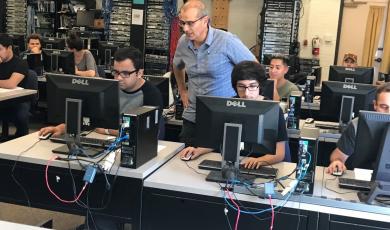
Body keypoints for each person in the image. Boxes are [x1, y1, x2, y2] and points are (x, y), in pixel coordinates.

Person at [173, 0, 256, 147]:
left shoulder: (226, 41)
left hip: (223, 116)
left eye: (190, 23)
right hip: (194, 114)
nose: (185, 28)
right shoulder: (183, 42)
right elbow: (177, 66)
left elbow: (254, 67)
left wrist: (245, 96)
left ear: (205, 20)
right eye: (182, 23)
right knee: (183, 159)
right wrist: (182, 90)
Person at [179, 61, 288, 169]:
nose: (246, 93)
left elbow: (279, 153)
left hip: (260, 165)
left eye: (252, 86)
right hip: (231, 163)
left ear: (260, 85)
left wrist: (259, 161)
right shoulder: (228, 105)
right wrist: (198, 150)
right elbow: (217, 140)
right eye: (241, 86)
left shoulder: (273, 110)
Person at [39, 47, 163, 138]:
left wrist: (106, 130)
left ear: (139, 73)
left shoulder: (151, 94)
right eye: (116, 72)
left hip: (133, 145)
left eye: (125, 73)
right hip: (104, 140)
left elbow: (144, 131)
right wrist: (61, 127)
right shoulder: (107, 88)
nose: (118, 78)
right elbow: (88, 118)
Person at [326, 83, 390, 174]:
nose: (389, 112)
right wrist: (337, 162)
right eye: (384, 107)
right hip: (361, 179)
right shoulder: (358, 124)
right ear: (375, 105)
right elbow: (338, 156)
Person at [0, 33, 30, 137]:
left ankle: (21, 138)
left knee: (21, 115)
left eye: (0, 49)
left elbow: (11, 83)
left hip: (17, 101)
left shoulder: (20, 63)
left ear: (9, 48)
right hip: (1, 99)